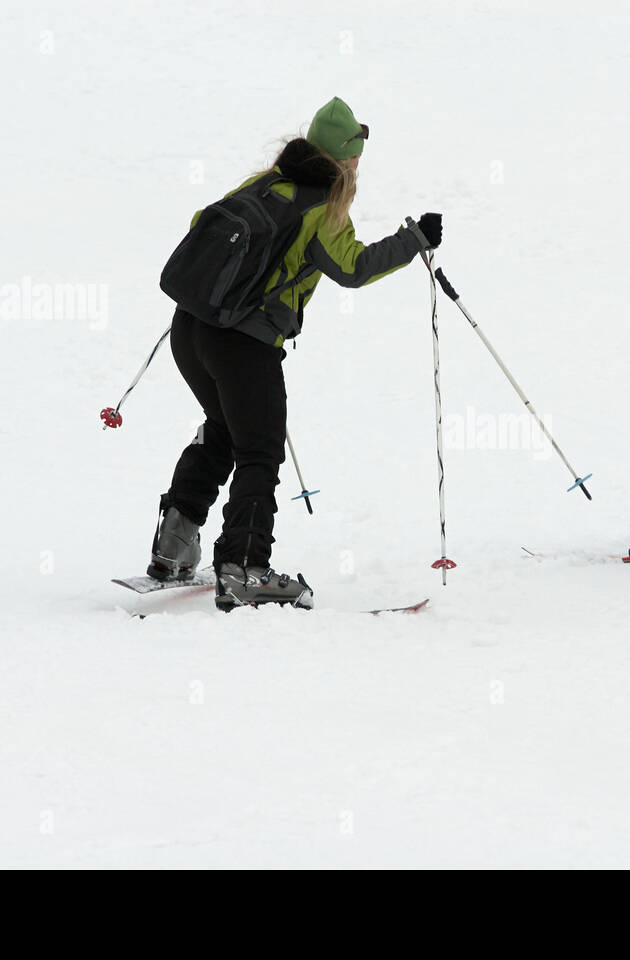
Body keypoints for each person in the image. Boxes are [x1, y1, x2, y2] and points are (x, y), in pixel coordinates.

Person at [147, 96, 442, 611]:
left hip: (190, 330)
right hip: (243, 344)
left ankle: (174, 548)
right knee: (258, 451)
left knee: (222, 431)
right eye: (356, 156)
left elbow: (202, 224)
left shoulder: (264, 184)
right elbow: (352, 267)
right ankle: (244, 571)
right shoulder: (321, 206)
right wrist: (413, 239)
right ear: (345, 159)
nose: (358, 166)